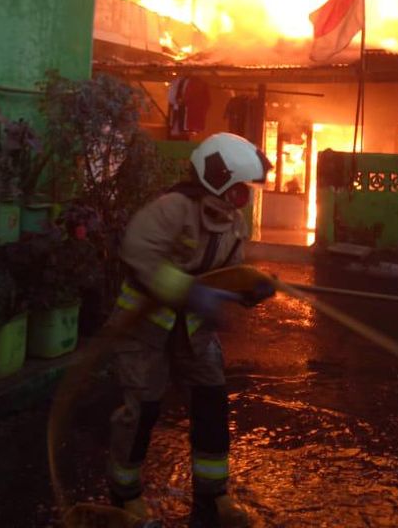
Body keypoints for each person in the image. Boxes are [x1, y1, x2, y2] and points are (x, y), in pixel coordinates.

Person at [106, 132, 273, 528]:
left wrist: (247, 288)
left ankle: (213, 497)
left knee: (212, 405)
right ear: (216, 178)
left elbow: (230, 270)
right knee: (141, 412)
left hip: (192, 335)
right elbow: (137, 251)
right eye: (238, 189)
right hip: (143, 332)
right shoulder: (172, 209)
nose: (241, 200)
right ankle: (124, 497)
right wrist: (188, 291)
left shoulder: (231, 223)